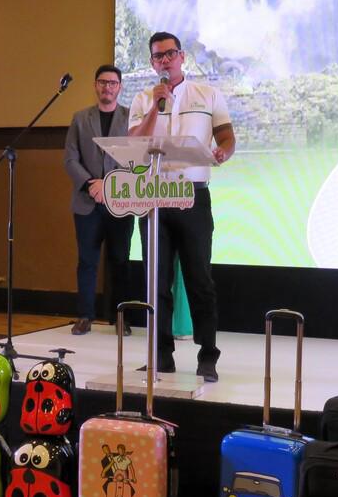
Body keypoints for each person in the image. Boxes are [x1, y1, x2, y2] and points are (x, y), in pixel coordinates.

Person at [128, 32, 235, 382]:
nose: (165, 61)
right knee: (156, 281)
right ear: (152, 63)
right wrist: (155, 106)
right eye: (158, 57)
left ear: (182, 56)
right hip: (154, 196)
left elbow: (226, 136)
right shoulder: (145, 99)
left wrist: (223, 152)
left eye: (170, 54)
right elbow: (134, 144)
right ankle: (161, 355)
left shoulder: (207, 94)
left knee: (198, 278)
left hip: (192, 194)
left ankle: (208, 355)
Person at [64, 64, 136, 336]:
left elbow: (136, 159)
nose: (108, 87)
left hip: (120, 202)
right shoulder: (80, 118)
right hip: (87, 201)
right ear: (96, 85)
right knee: (87, 261)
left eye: (113, 83)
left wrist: (112, 187)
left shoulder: (131, 119)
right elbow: (70, 158)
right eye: (103, 82)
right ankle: (84, 315)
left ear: (120, 87)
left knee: (120, 260)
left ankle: (120, 318)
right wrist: (91, 184)